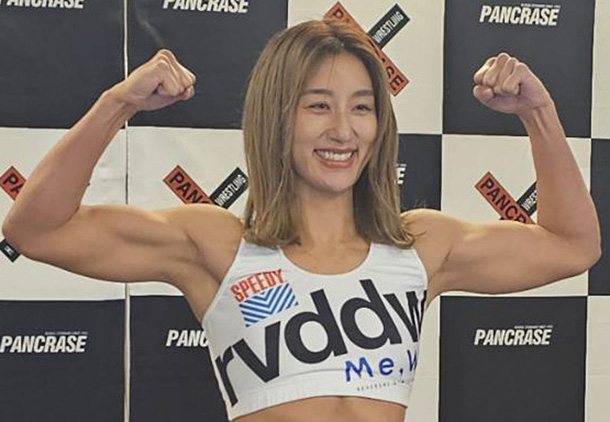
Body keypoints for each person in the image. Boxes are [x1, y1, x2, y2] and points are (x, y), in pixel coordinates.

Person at [1, 18, 601, 422]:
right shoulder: (215, 244)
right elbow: (35, 230)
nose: (343, 130)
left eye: (362, 107)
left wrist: (538, 112)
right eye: (318, 106)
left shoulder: (420, 245)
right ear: (277, 116)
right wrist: (119, 104)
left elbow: (573, 246)